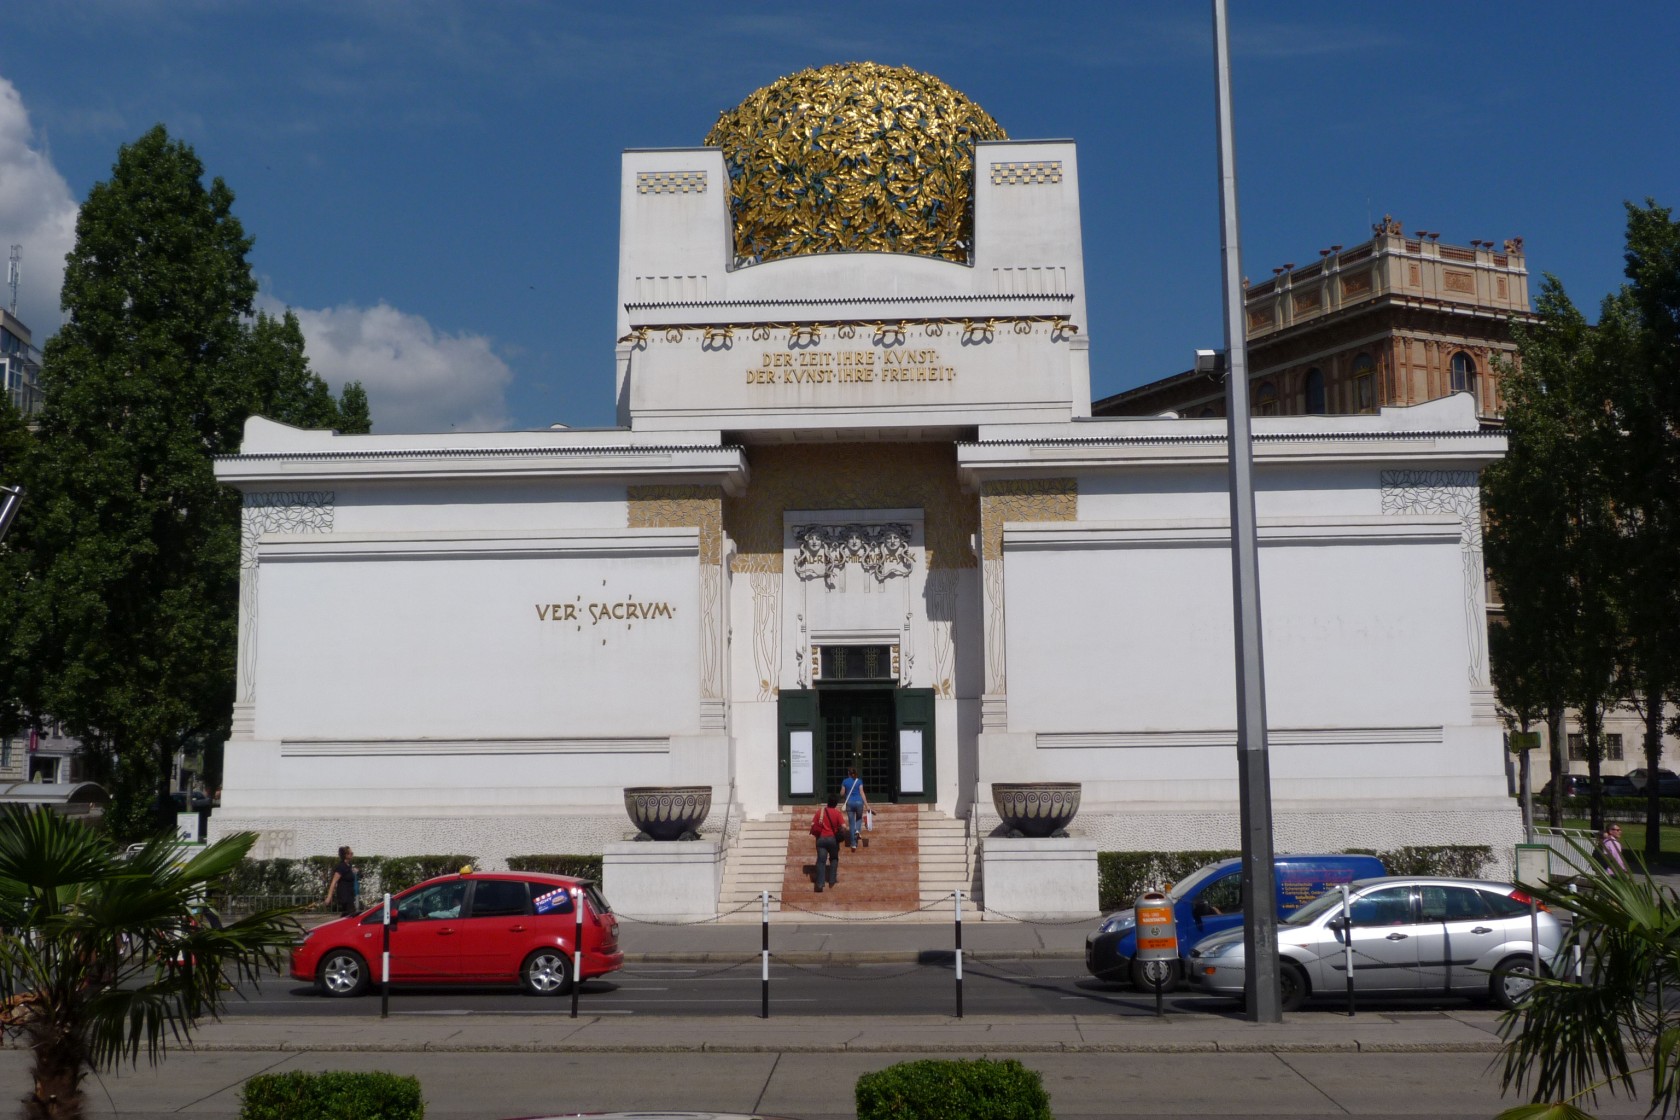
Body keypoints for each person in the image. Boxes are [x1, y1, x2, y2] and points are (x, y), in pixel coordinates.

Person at [810, 796, 846, 892]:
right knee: (834, 859)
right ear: (835, 804)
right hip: (833, 840)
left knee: (821, 861)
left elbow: (812, 824)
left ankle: (820, 883)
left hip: (821, 839)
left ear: (828, 802)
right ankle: (832, 880)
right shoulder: (837, 813)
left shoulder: (820, 812)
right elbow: (844, 826)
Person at [839, 768, 870, 851]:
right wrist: (867, 805)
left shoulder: (845, 781)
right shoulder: (859, 781)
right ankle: (857, 830)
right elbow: (862, 793)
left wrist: (843, 792)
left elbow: (842, 793)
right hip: (859, 802)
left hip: (849, 803)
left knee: (851, 823)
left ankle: (853, 844)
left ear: (848, 773)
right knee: (859, 818)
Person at [324, 846, 359, 915]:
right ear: (346, 855)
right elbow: (334, 882)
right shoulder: (341, 867)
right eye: (351, 853)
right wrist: (329, 897)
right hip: (345, 896)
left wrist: (353, 871)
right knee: (351, 915)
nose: (352, 854)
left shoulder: (348, 865)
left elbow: (347, 875)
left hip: (349, 895)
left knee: (347, 915)